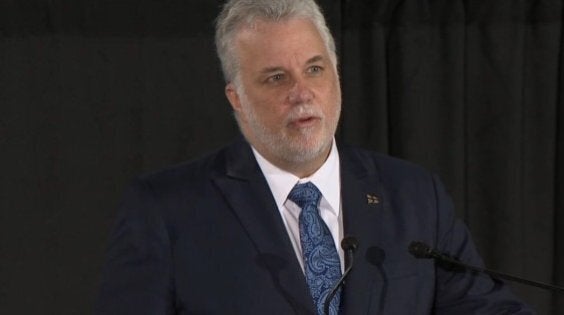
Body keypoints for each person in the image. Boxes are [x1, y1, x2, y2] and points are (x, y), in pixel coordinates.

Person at [95, 0, 534, 314]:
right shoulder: (167, 210)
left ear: (337, 77)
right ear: (237, 98)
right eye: (275, 78)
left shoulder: (415, 195)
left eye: (314, 69)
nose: (301, 93)